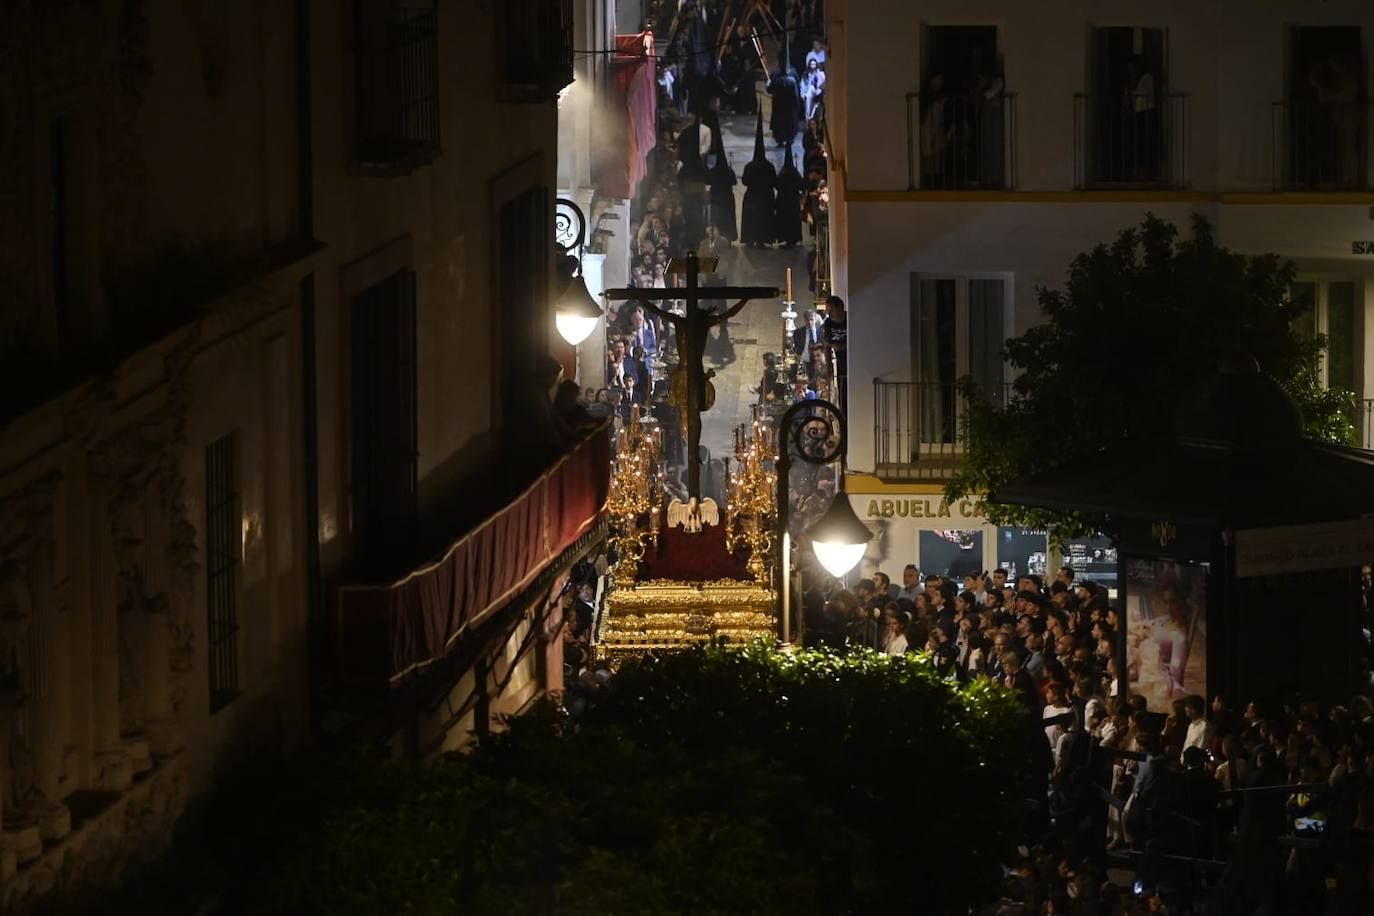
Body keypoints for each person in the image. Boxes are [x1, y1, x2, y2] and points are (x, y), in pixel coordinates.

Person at [740, 110, 777, 247]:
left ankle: (751, 239)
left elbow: (744, 181)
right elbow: (774, 182)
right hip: (766, 197)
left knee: (752, 220)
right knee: (764, 219)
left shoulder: (750, 166)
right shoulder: (769, 166)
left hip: (752, 197)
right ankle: (763, 240)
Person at [706, 132, 738, 242]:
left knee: (717, 219)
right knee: (728, 219)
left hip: (716, 198)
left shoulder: (713, 171)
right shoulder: (728, 170)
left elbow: (708, 181)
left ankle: (717, 238)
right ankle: (729, 238)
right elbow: (734, 182)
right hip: (727, 198)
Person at [773, 146, 804, 248]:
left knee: (784, 220)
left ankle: (785, 238)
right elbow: (801, 185)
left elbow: (776, 185)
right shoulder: (795, 173)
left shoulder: (782, 173)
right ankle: (793, 239)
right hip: (793, 201)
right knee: (793, 220)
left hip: (782, 201)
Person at [822, 296, 848, 407]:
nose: (829, 313)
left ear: (840, 308)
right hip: (840, 361)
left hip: (854, 358)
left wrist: (842, 345)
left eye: (831, 310)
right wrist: (829, 366)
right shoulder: (828, 323)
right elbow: (826, 345)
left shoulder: (851, 318)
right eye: (827, 310)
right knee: (843, 389)